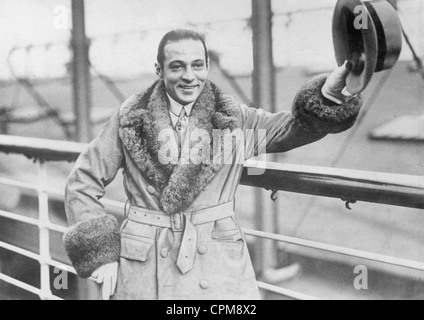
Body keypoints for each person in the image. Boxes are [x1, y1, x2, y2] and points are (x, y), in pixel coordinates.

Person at [63, 29, 362, 300]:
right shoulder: (130, 118)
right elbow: (83, 179)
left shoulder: (234, 119)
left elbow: (289, 129)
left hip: (215, 259)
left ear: (207, 67)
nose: (189, 76)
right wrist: (101, 254)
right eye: (177, 66)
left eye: (197, 65)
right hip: (144, 261)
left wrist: (329, 96)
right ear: (159, 70)